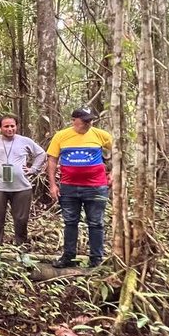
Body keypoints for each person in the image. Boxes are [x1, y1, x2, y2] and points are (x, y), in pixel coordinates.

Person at [46, 107, 113, 268]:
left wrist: (113, 173)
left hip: (96, 187)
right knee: (70, 222)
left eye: (90, 120)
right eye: (84, 121)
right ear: (74, 120)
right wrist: (53, 185)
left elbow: (118, 152)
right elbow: (52, 160)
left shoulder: (101, 135)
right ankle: (68, 256)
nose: (88, 124)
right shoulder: (61, 136)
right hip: (69, 187)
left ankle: (96, 259)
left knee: (96, 223)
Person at [0, 115, 46, 247]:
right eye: (6, 126)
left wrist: (33, 169)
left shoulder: (25, 141)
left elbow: (41, 153)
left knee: (21, 219)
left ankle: (22, 246)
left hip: (22, 187)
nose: (10, 129)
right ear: (0, 127)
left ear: (16, 126)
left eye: (12, 126)